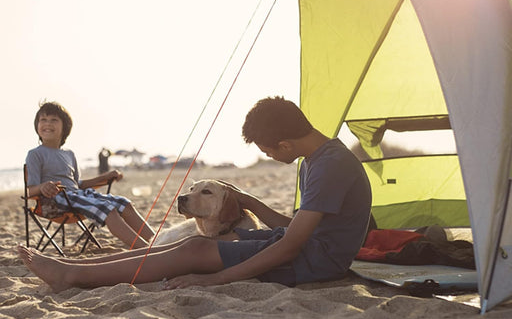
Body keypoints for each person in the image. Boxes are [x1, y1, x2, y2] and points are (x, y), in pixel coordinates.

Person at [18, 96, 372, 293]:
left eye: (267, 151)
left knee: (194, 250)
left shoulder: (329, 165)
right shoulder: (316, 158)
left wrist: (216, 278)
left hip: (315, 263)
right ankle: (70, 267)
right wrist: (248, 202)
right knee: (179, 246)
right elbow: (293, 227)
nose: (269, 157)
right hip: (303, 247)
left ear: (284, 143)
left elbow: (293, 245)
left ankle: (72, 275)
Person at [25, 101, 153, 249]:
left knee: (124, 203)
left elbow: (78, 184)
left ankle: (157, 242)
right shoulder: (35, 154)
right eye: (43, 120)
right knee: (107, 208)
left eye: (54, 120)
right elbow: (29, 191)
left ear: (65, 127)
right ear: (37, 126)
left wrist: (105, 177)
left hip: (77, 195)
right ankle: (145, 249)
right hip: (54, 201)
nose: (48, 124)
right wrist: (43, 187)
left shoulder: (69, 154)